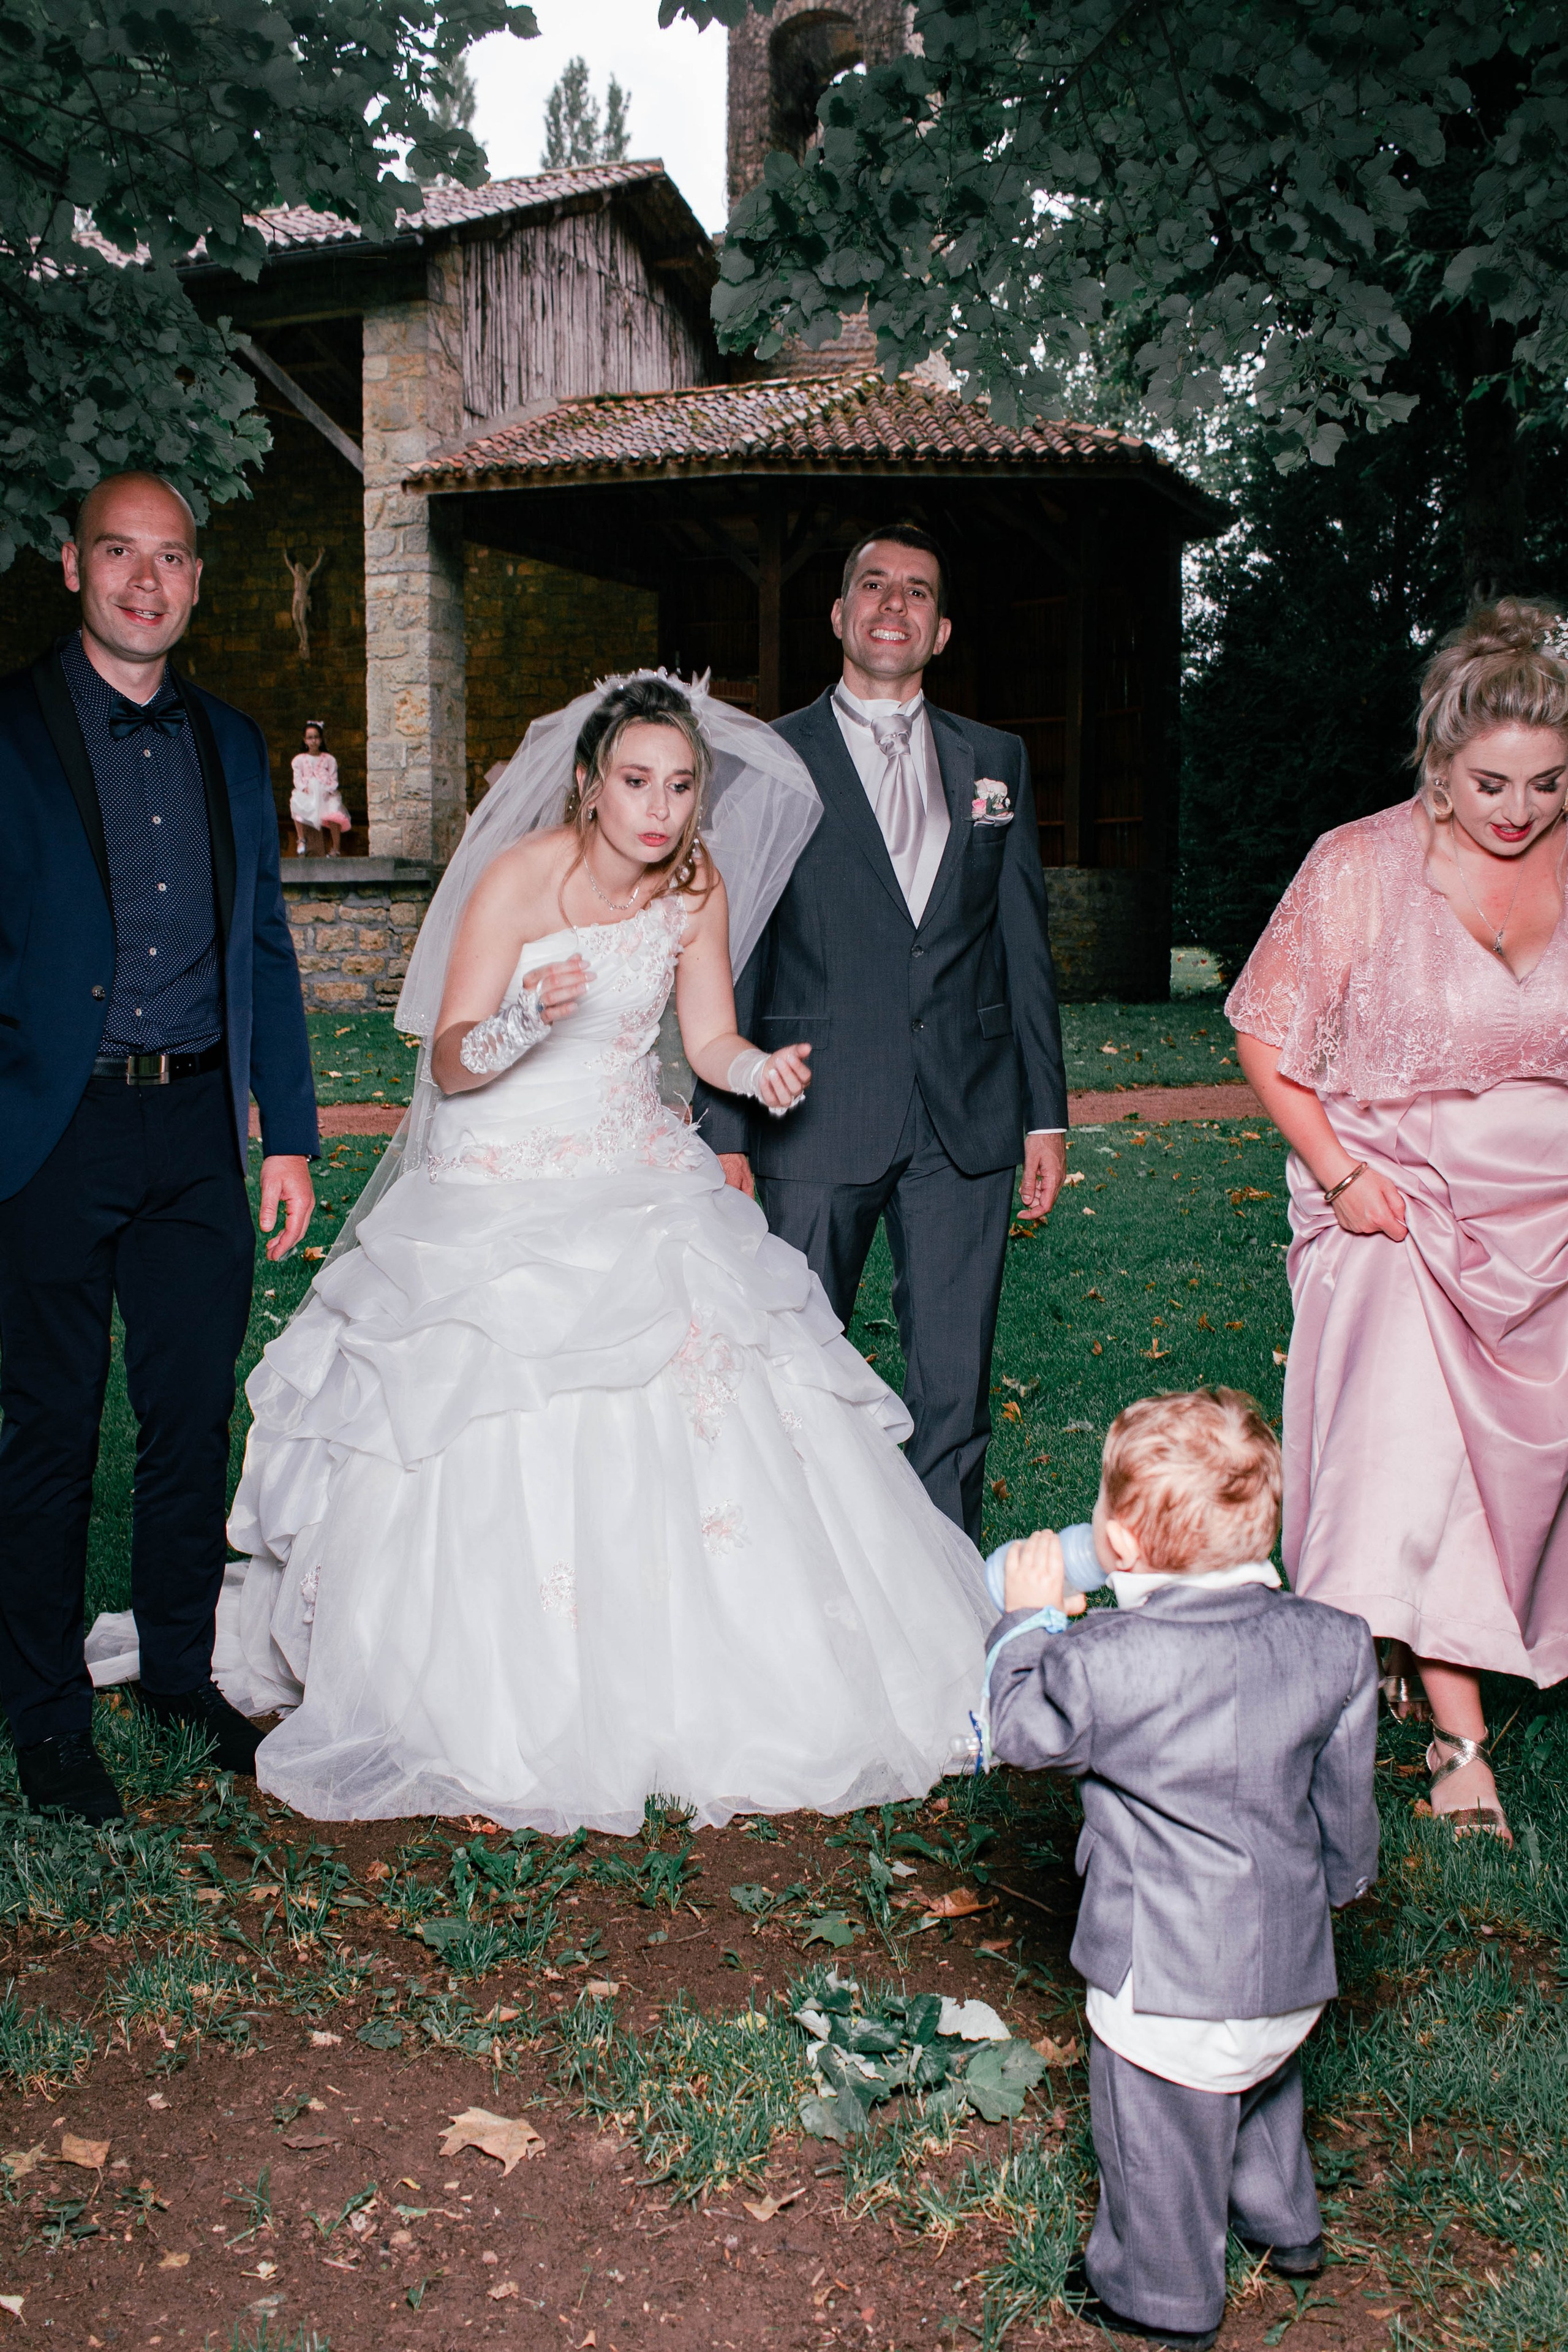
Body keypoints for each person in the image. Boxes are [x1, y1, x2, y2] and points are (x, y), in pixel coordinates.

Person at [211, 674, 992, 1831]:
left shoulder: (697, 886)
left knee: (708, 1382)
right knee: (486, 1403)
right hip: (500, 1171)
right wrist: (527, 1020)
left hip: (632, 1164)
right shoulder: (523, 875)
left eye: (681, 786)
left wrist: (753, 1072)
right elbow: (451, 1060)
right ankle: (480, 1685)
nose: (660, 807)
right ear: (590, 784)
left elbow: (709, 1034)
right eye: (637, 781)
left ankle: (704, 1680)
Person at [0, 471, 318, 1825]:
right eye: (119, 554)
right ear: (72, 567)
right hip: (48, 1129)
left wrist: (288, 1137)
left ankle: (183, 1676)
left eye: (172, 558)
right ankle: (46, 1716)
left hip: (196, 1127)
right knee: (51, 1430)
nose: (147, 580)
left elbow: (264, 950)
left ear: (197, 580)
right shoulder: (8, 731)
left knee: (190, 1419)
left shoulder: (232, 742)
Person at [1229, 599, 1568, 1844]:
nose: (1516, 810)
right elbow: (1265, 1037)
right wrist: (1335, 1177)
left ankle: (1378, 1629)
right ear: (1437, 761)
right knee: (1416, 1446)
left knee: (1515, 1465)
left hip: (1545, 1212)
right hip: (1392, 1194)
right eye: (1489, 782)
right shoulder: (1357, 864)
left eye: (1545, 784)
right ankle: (1454, 1731)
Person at [693, 525, 1068, 1544]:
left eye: (917, 592)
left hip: (969, 1120)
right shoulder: (766, 760)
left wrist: (1047, 1116)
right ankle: (797, 1578)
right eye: (873, 586)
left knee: (954, 1384)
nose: (893, 606)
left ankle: (946, 1593)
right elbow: (736, 945)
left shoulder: (997, 761)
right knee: (793, 1368)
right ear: (839, 615)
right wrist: (725, 1131)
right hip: (809, 1111)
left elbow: (1022, 945)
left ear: (941, 631)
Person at [984, 1390, 1378, 2352]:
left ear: (1118, 1541)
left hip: (1162, 1989)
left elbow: (1018, 1734)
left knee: (1157, 2136)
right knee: (1261, 2082)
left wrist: (1028, 1626)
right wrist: (1342, 1887)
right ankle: (1284, 2224)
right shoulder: (1335, 1641)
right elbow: (1345, 1803)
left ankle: (1158, 2293)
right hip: (1289, 1969)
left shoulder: (1107, 1661)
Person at [289, 719, 351, 856]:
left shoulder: (329, 759)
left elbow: (334, 778)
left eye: (316, 737)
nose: (313, 741)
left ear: (321, 739)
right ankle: (301, 839)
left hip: (325, 793)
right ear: (305, 740)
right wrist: (304, 788)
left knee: (334, 812)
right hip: (309, 793)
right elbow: (298, 779)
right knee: (296, 803)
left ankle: (335, 848)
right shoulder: (299, 760)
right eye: (310, 738)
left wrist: (328, 789)